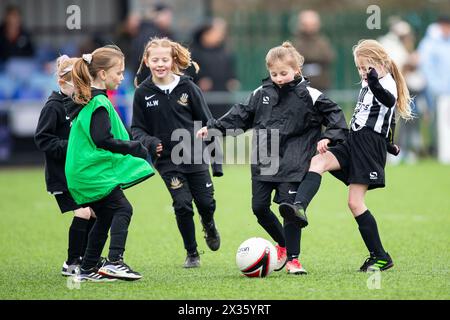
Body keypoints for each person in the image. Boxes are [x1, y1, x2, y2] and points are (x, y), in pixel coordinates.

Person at [197, 41, 348, 274]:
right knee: (259, 208)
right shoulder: (261, 93)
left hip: (295, 160)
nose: (278, 78)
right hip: (264, 160)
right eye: (274, 73)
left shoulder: (311, 94)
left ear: (297, 70)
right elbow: (239, 115)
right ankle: (284, 246)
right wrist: (214, 128)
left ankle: (294, 260)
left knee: (288, 209)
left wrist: (329, 137)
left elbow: (336, 116)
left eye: (283, 73)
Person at [279, 39, 413, 272]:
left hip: (368, 148)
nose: (362, 72)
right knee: (317, 160)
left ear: (380, 63)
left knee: (355, 202)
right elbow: (376, 118)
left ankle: (380, 256)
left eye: (366, 67)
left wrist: (385, 144)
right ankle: (298, 208)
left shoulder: (386, 82)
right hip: (354, 141)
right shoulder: (369, 81)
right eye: (359, 68)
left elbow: (388, 102)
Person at [66, 46, 155, 282]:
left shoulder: (90, 100)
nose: (122, 77)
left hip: (83, 173)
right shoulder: (99, 104)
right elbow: (102, 139)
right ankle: (115, 262)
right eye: (119, 72)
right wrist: (134, 147)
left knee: (105, 216)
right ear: (103, 74)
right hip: (92, 173)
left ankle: (87, 269)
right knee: (124, 209)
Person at [132, 37, 221, 268]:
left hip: (195, 155)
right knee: (182, 204)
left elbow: (207, 122)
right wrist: (150, 142)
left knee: (206, 203)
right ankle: (192, 253)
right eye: (155, 60)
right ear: (147, 61)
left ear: (173, 60)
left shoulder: (188, 88)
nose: (160, 64)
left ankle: (209, 223)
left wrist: (216, 162)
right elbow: (137, 129)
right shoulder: (142, 93)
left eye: (164, 59)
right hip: (168, 161)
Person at [34, 55, 96, 276]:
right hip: (61, 176)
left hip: (79, 175)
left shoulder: (80, 104)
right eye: (78, 83)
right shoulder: (53, 106)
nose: (83, 88)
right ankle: (72, 263)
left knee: (95, 213)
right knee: (83, 213)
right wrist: (72, 147)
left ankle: (89, 260)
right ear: (62, 82)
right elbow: (42, 138)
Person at [189, 17, 240, 118]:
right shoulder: (194, 52)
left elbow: (230, 70)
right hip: (203, 99)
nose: (220, 35)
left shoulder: (224, 52)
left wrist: (233, 80)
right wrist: (199, 81)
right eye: (216, 31)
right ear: (205, 33)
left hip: (222, 96)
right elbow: (189, 72)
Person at [418, 16, 450, 157]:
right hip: (440, 93)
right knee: (442, 125)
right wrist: (437, 88)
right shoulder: (430, 44)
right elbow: (427, 69)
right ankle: (444, 154)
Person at [294, 10, 335, 91]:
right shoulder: (296, 43)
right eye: (306, 24)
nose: (309, 28)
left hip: (321, 86)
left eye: (312, 24)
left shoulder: (323, 43)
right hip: (300, 87)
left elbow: (329, 57)